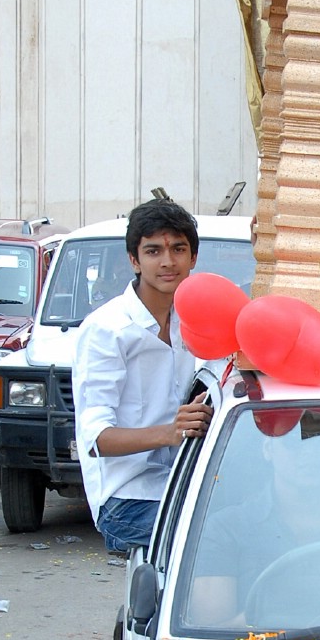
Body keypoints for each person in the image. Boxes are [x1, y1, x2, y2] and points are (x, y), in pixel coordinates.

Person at [72, 199, 211, 556]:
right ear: (134, 260)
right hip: (127, 501)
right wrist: (170, 433)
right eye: (153, 251)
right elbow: (95, 439)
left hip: (184, 484)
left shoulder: (193, 320)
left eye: (178, 249)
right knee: (218, 542)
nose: (168, 261)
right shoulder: (107, 330)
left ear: (193, 258)